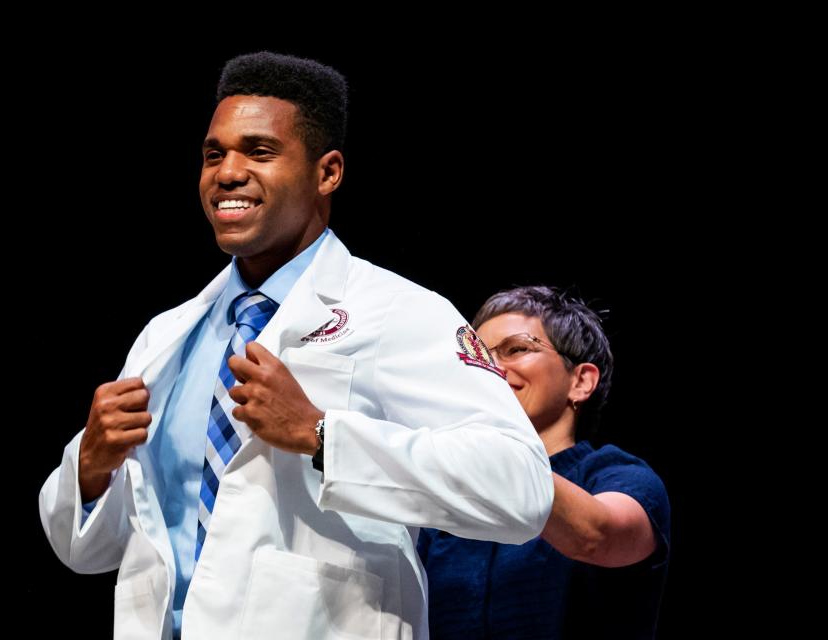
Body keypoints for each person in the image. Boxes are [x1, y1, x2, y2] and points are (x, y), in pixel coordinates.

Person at [38, 52, 553, 640]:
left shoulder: (399, 311)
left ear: (327, 172)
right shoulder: (166, 337)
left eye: (259, 152)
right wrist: (90, 469)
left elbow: (522, 489)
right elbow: (89, 553)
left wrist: (322, 435)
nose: (226, 173)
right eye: (214, 154)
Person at [418, 286, 671, 639]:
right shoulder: (446, 508)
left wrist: (488, 452)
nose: (487, 370)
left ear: (581, 381)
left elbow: (595, 535)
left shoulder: (619, 477)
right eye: (477, 357)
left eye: (516, 349)